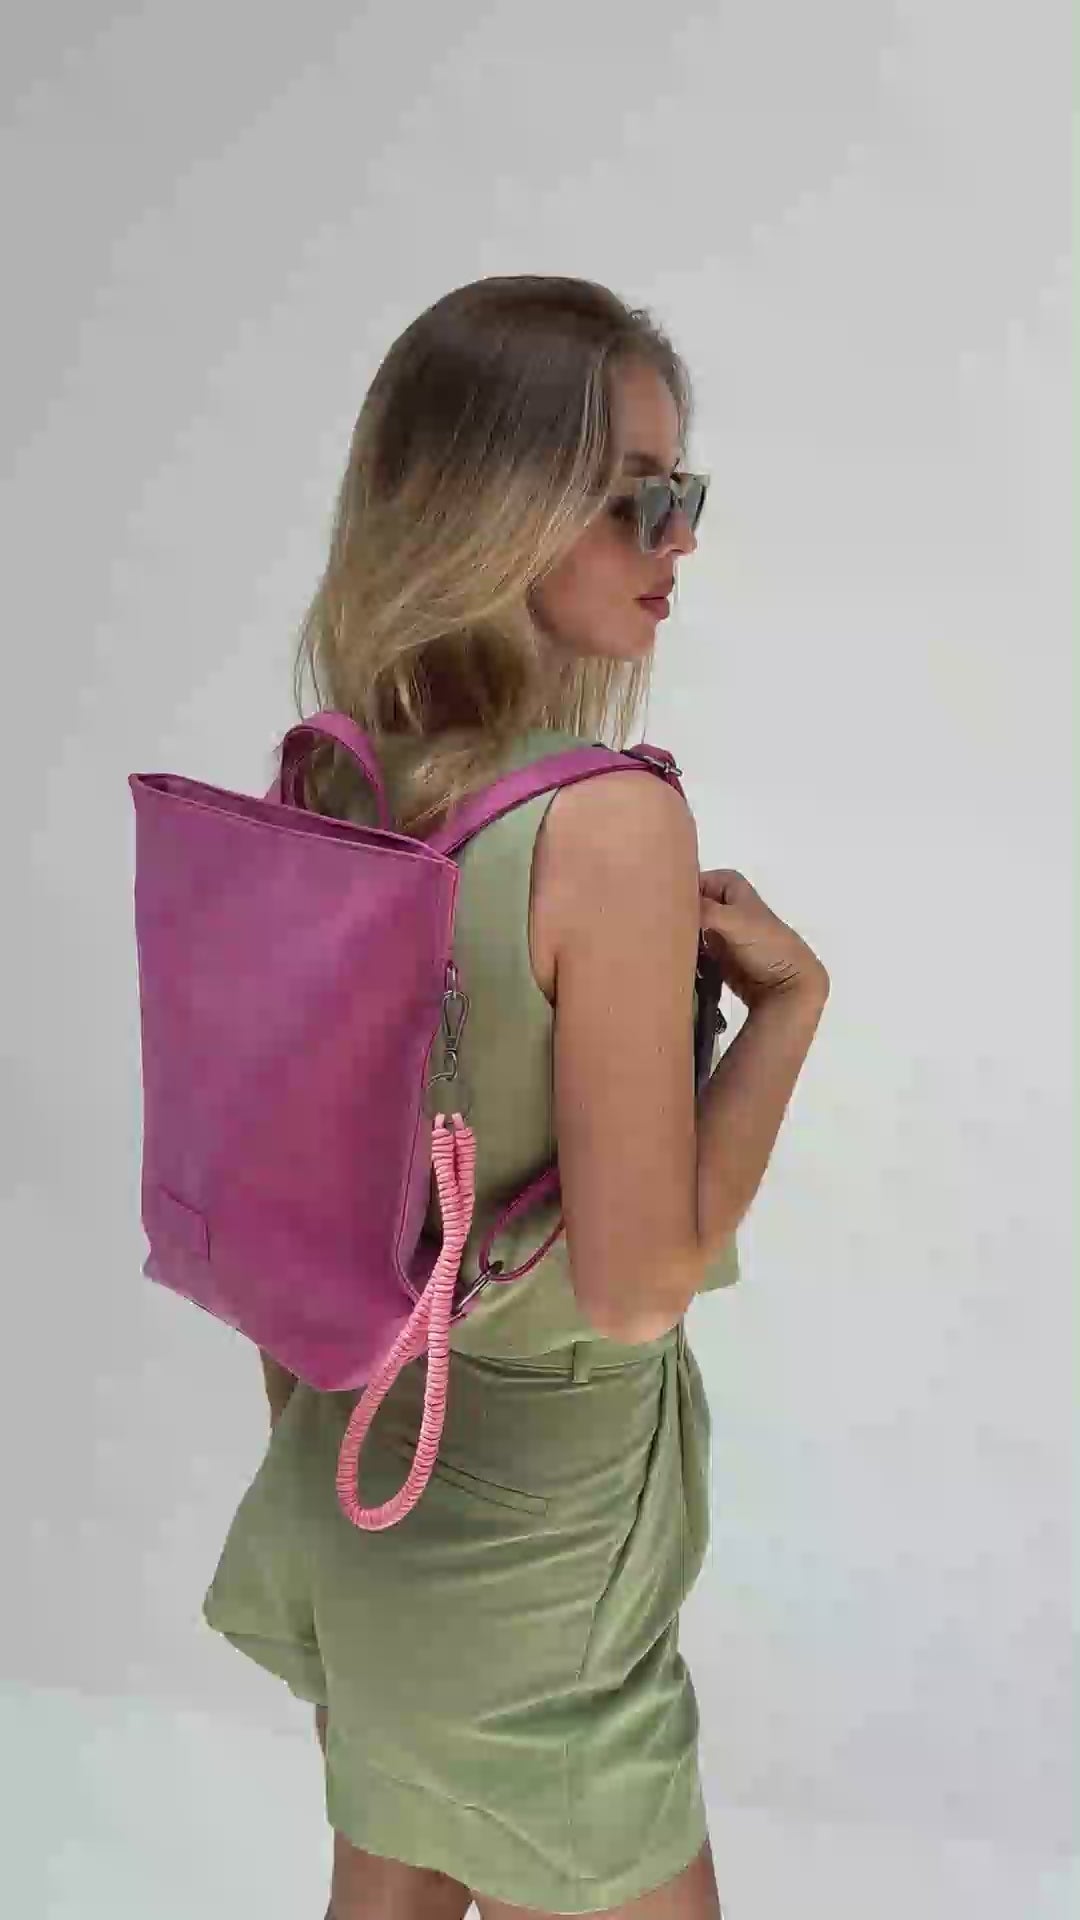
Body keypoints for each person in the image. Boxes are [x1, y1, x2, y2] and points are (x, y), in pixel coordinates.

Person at [202, 275, 829, 1920]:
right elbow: (632, 1288)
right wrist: (787, 1015)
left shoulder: (342, 777)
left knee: (392, 1882)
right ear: (498, 505)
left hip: (360, 1479)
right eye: (639, 498)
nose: (678, 540)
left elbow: (297, 1199)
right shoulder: (606, 828)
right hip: (538, 1555)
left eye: (685, 496)